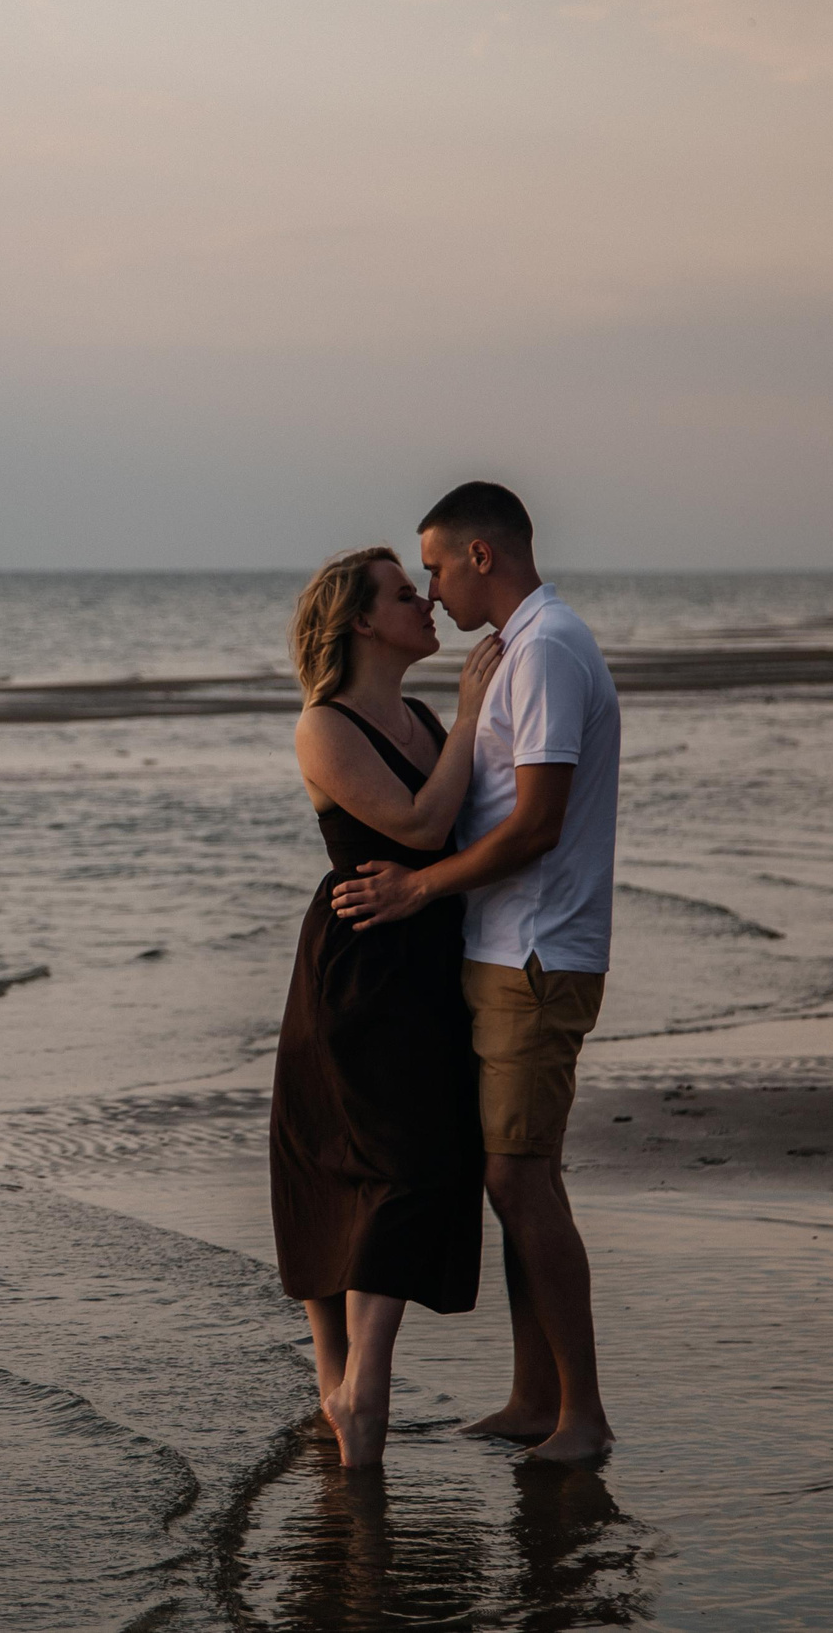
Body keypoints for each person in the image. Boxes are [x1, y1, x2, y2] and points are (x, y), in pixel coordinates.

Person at [330, 482, 622, 1464]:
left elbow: (536, 825)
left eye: (437, 565)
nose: (432, 585)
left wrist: (417, 889)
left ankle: (581, 1413)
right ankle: (533, 1398)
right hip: (503, 948)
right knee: (514, 1177)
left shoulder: (542, 650)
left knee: (519, 1176)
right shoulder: (520, 654)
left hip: (535, 953)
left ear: (482, 557)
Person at [271, 545, 504, 1468]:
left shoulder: (414, 714)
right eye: (407, 594)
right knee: (332, 1163)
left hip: (428, 963)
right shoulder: (322, 726)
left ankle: (349, 1390)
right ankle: (353, 1386)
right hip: (356, 972)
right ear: (363, 621)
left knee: (405, 1164)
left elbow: (451, 830)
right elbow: (420, 826)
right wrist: (475, 716)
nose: (429, 602)